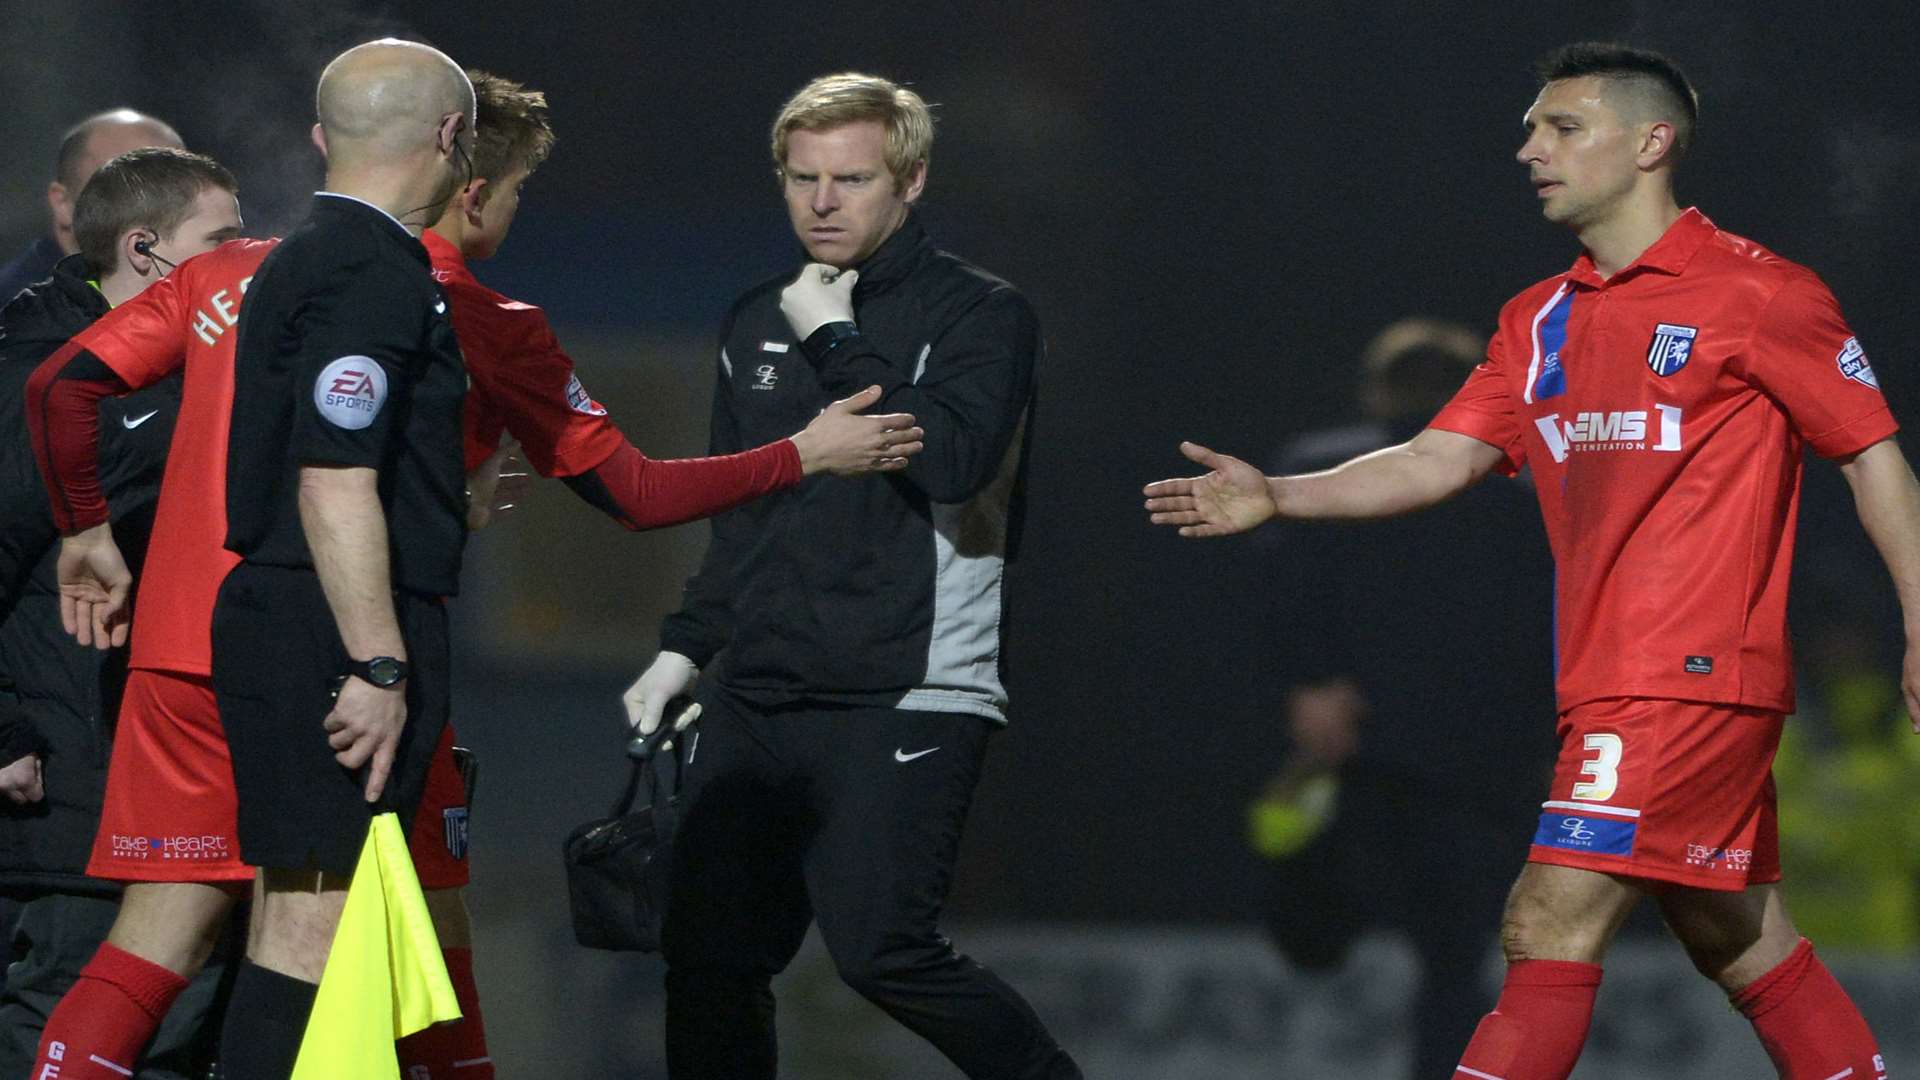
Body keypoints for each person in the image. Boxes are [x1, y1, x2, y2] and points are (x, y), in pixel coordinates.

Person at [26, 57, 921, 1079]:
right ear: (471, 178)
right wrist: (802, 452)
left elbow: (67, 385)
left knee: (158, 948)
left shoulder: (242, 271)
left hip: (194, 656)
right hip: (349, 647)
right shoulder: (473, 316)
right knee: (403, 934)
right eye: (523, 191)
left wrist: (84, 528)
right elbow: (624, 491)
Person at [1144, 42, 1913, 1080]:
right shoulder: (1538, 318)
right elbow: (1433, 459)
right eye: (1529, 129)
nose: (1528, 151)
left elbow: (1874, 462)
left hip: (1685, 677)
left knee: (1545, 921)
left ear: (1652, 143)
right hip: (1603, 682)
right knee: (1738, 935)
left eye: (1560, 128)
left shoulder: (1757, 294)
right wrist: (1278, 494)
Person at [623, 72, 1078, 1080]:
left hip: (907, 686)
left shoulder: (984, 314)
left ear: (910, 182)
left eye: (852, 179)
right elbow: (745, 508)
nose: (822, 202)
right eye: (802, 178)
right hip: (758, 687)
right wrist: (684, 647)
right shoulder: (755, 318)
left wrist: (831, 336)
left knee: (885, 956)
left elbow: (950, 458)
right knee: (706, 960)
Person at [1249, 318, 1555, 1078]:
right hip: (1480, 757)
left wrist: (1312, 682)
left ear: (1376, 389)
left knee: (1318, 919)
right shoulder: (1520, 485)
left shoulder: (1320, 466)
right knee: (1455, 955)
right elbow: (1557, 615)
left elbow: (1276, 587)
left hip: (1354, 742)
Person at [0, 147, 240, 1079]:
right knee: (66, 1022)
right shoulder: (38, 379)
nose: (244, 258)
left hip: (163, 786)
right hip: (70, 795)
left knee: (175, 1046)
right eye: (220, 240)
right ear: (146, 250)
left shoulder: (186, 369)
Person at [0, 110, 184, 305]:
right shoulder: (16, 316)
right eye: (122, 189)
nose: (154, 208)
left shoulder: (202, 295)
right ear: (63, 203)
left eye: (176, 192)